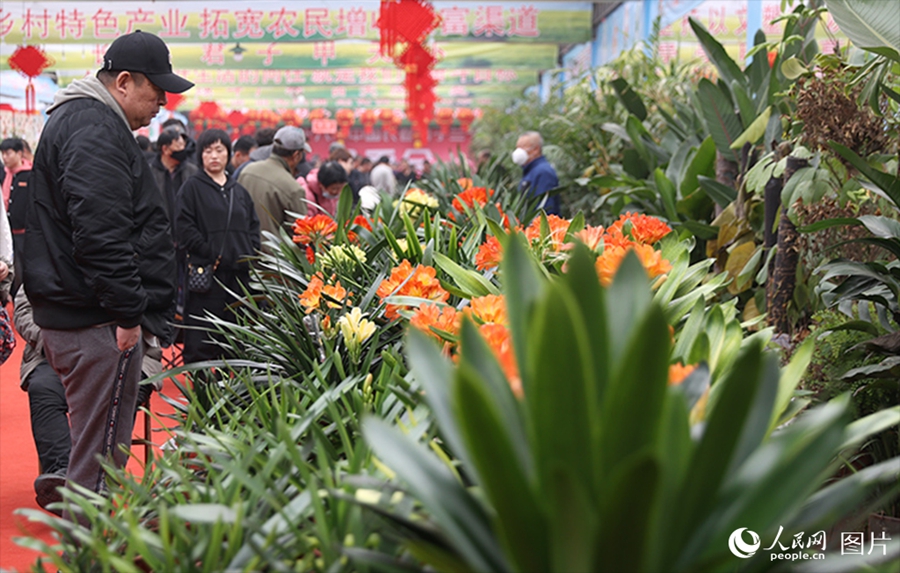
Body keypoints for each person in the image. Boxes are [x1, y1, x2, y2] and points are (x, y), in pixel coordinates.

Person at [22, 30, 192, 510]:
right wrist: (128, 313)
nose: (162, 102)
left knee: (94, 453)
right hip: (96, 319)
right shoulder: (94, 127)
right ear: (123, 82)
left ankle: (91, 539)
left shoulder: (85, 121)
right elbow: (100, 234)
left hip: (85, 312)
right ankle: (90, 545)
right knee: (100, 464)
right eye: (155, 89)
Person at [15, 286, 165, 515]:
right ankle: (62, 473)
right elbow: (23, 309)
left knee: (122, 390)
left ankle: (101, 480)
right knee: (43, 389)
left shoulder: (129, 267)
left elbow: (157, 304)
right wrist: (51, 339)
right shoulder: (46, 264)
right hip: (57, 351)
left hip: (127, 350)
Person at [176, 129, 260, 365]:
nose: (214, 156)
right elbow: (184, 227)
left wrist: (250, 254)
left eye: (219, 150)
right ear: (200, 155)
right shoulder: (191, 188)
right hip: (207, 274)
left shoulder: (238, 191)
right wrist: (208, 252)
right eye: (208, 151)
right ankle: (203, 383)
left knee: (235, 336)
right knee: (202, 335)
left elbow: (253, 227)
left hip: (238, 277)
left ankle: (233, 383)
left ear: (228, 154)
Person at [238, 125, 310, 243]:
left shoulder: (247, 171)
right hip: (274, 253)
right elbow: (301, 235)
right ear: (297, 155)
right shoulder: (293, 188)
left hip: (243, 248)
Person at [149, 127, 199, 224]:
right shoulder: (150, 173)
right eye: (179, 145)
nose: (183, 149)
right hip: (159, 228)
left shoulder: (192, 171)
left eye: (184, 145)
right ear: (165, 149)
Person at [513, 131, 560, 216]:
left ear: (536, 149)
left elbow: (546, 209)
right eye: (517, 147)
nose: (518, 151)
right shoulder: (531, 171)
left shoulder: (543, 172)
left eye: (522, 147)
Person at [1, 137, 32, 211]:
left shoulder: (29, 174)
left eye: (8, 154)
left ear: (19, 154)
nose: (4, 157)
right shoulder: (3, 173)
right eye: (3, 153)